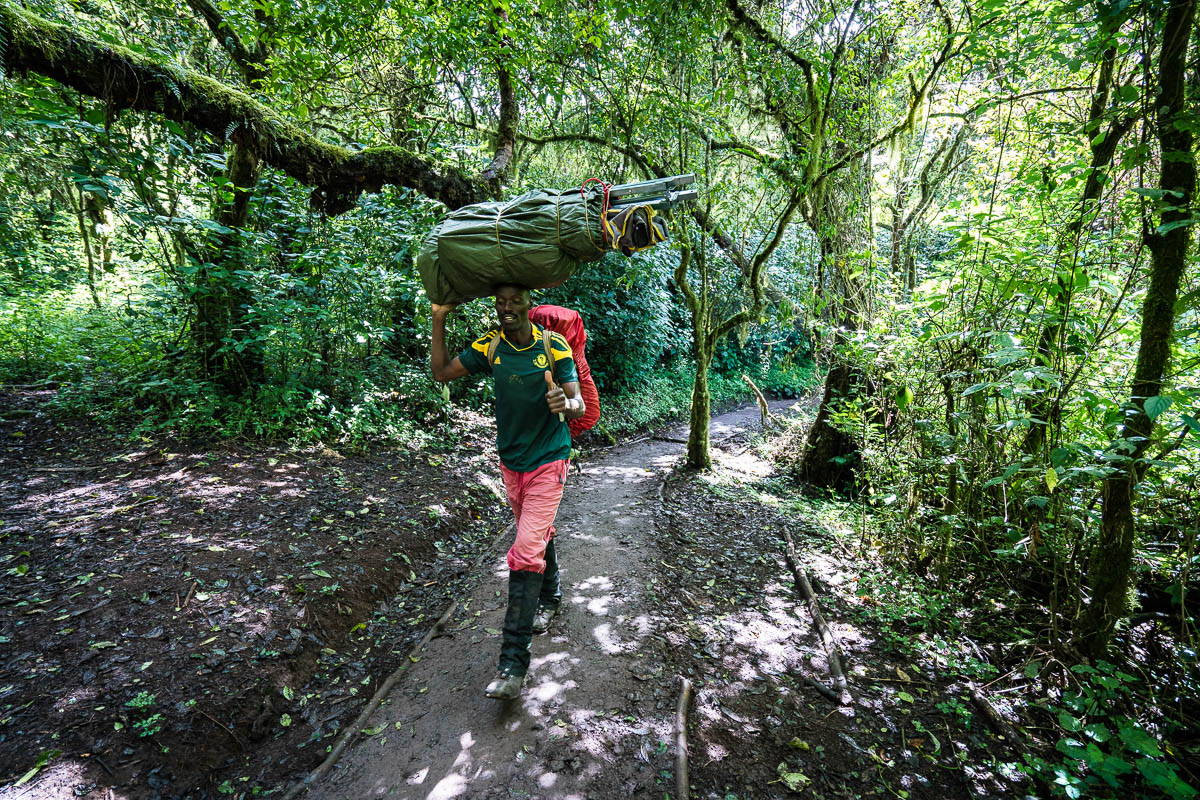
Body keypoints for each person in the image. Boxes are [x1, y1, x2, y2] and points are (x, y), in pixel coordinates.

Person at [430, 284, 587, 700]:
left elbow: (579, 405)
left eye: (515, 300)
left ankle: (512, 664)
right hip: (511, 463)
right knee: (535, 537)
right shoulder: (492, 347)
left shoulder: (553, 347)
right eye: (500, 302)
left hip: (550, 460)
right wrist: (439, 315)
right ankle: (551, 596)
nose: (507, 308)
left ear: (529, 305)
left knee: (524, 550)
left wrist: (564, 404)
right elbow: (442, 372)